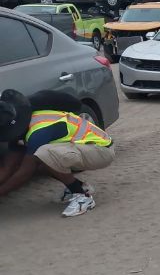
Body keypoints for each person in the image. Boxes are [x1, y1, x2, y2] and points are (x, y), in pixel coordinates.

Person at [0, 89, 115, 217]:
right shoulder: (20, 126)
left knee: (43, 154)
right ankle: (79, 186)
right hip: (82, 147)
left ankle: (83, 198)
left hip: (102, 150)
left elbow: (24, 173)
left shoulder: (38, 131)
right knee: (42, 160)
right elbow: (7, 168)